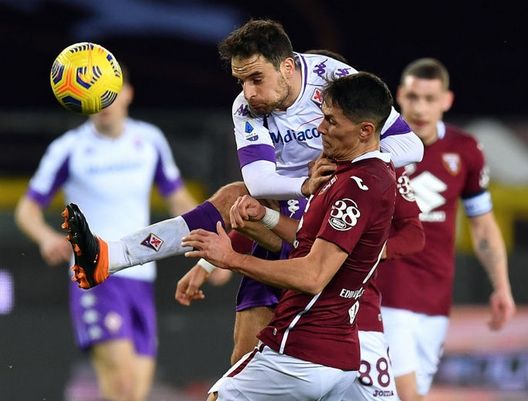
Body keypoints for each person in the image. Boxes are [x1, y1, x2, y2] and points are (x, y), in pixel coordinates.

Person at [60, 19, 424, 293]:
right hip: (293, 204)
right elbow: (259, 180)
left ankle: (119, 256)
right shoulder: (246, 109)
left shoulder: (335, 77)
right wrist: (306, 184)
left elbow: (411, 147)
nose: (248, 93)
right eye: (241, 81)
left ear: (287, 66)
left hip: (337, 211)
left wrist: (344, 171)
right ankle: (112, 256)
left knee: (237, 201)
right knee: (237, 200)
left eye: (255, 79)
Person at [176, 49, 426, 401]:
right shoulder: (335, 176)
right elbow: (306, 237)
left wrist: (230, 259)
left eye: (330, 120)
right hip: (342, 346)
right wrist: (263, 218)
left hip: (309, 339)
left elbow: (313, 273)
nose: (319, 129)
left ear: (365, 129)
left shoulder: (356, 184)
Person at [14, 66, 197, 401]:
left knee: (135, 393)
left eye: (111, 90)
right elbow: (26, 209)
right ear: (82, 99)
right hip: (96, 273)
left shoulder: (150, 140)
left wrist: (205, 236)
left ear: (128, 93)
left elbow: (178, 198)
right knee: (122, 385)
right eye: (95, 92)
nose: (105, 100)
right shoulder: (68, 148)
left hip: (142, 274)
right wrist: (45, 238)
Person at [376, 58, 516, 401]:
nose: (420, 108)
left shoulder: (464, 150)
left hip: (436, 298)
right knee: (407, 396)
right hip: (385, 293)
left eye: (430, 98)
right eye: (413, 97)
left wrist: (501, 286)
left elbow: (482, 226)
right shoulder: (377, 146)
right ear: (399, 97)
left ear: (446, 101)